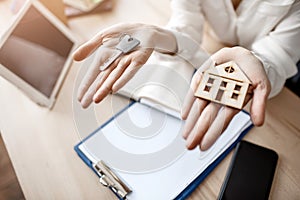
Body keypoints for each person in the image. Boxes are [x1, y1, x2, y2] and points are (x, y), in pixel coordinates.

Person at [73, 0, 300, 151]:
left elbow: (278, 60)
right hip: (220, 50)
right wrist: (162, 37)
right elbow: (186, 23)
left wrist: (259, 65)